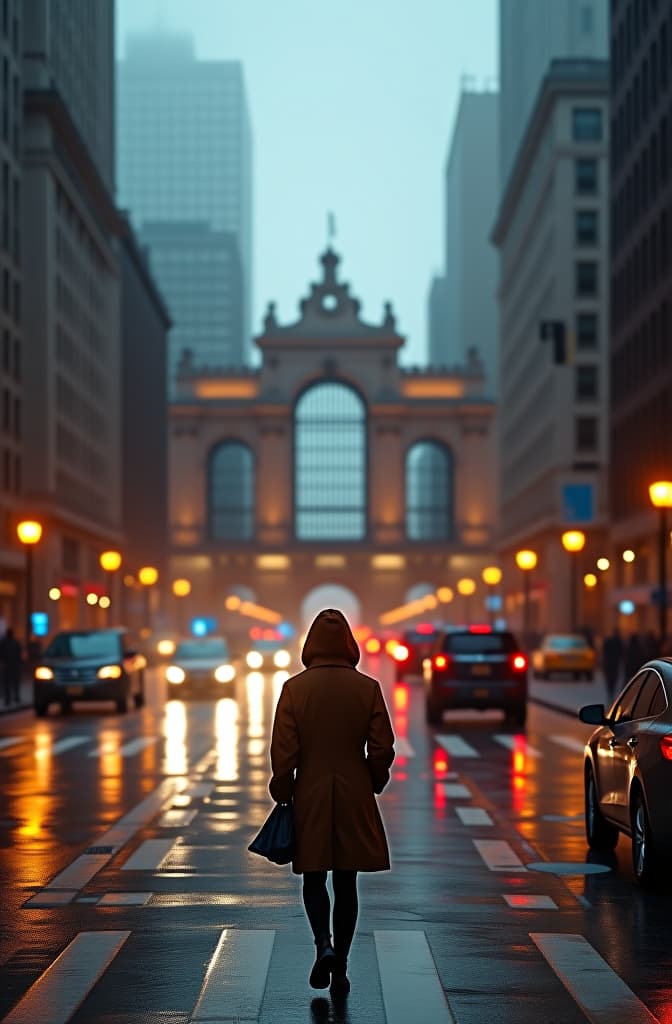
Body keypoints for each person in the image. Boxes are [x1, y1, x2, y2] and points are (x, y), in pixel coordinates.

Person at [269, 608, 394, 996]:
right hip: (354, 791)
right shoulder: (368, 688)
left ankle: (322, 942)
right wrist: (374, 778)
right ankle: (341, 963)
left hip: (310, 791)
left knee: (313, 876)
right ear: (348, 644)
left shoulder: (294, 688)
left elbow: (284, 748)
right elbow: (382, 746)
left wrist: (282, 785)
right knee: (347, 881)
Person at [0, 628, 23, 705]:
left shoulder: (4, 643)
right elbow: (20, 654)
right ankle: (16, 698)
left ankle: (8, 699)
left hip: (8, 665)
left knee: (7, 683)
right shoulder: (15, 642)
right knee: (14, 683)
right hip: (14, 665)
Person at [601, 628, 623, 704]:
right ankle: (611, 693)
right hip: (615, 665)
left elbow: (604, 653)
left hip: (609, 664)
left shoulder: (608, 641)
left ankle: (610, 693)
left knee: (609, 680)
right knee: (613, 679)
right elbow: (622, 654)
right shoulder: (619, 642)